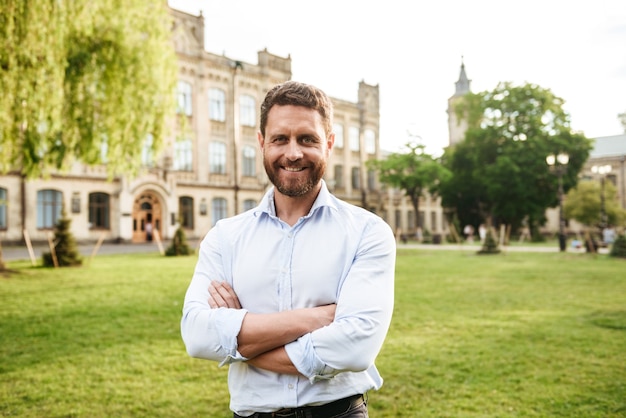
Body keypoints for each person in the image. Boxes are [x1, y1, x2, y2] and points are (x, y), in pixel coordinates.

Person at [181, 80, 396, 417]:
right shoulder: (225, 237)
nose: (293, 153)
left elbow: (356, 347)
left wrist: (239, 342)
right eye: (280, 138)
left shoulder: (367, 232)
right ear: (262, 142)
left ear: (329, 144)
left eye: (307, 139)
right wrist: (319, 317)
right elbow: (196, 335)